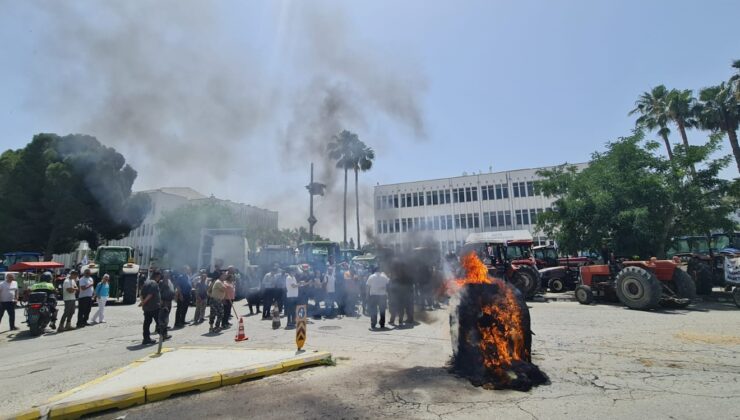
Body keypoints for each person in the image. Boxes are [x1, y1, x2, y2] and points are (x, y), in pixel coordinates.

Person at [139, 271, 163, 345]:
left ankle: (146, 339)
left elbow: (141, 294)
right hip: (154, 307)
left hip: (147, 308)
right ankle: (163, 335)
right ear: (157, 276)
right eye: (159, 277)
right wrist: (143, 303)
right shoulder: (154, 283)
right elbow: (150, 294)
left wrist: (143, 303)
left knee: (146, 323)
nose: (159, 279)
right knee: (159, 322)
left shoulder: (146, 283)